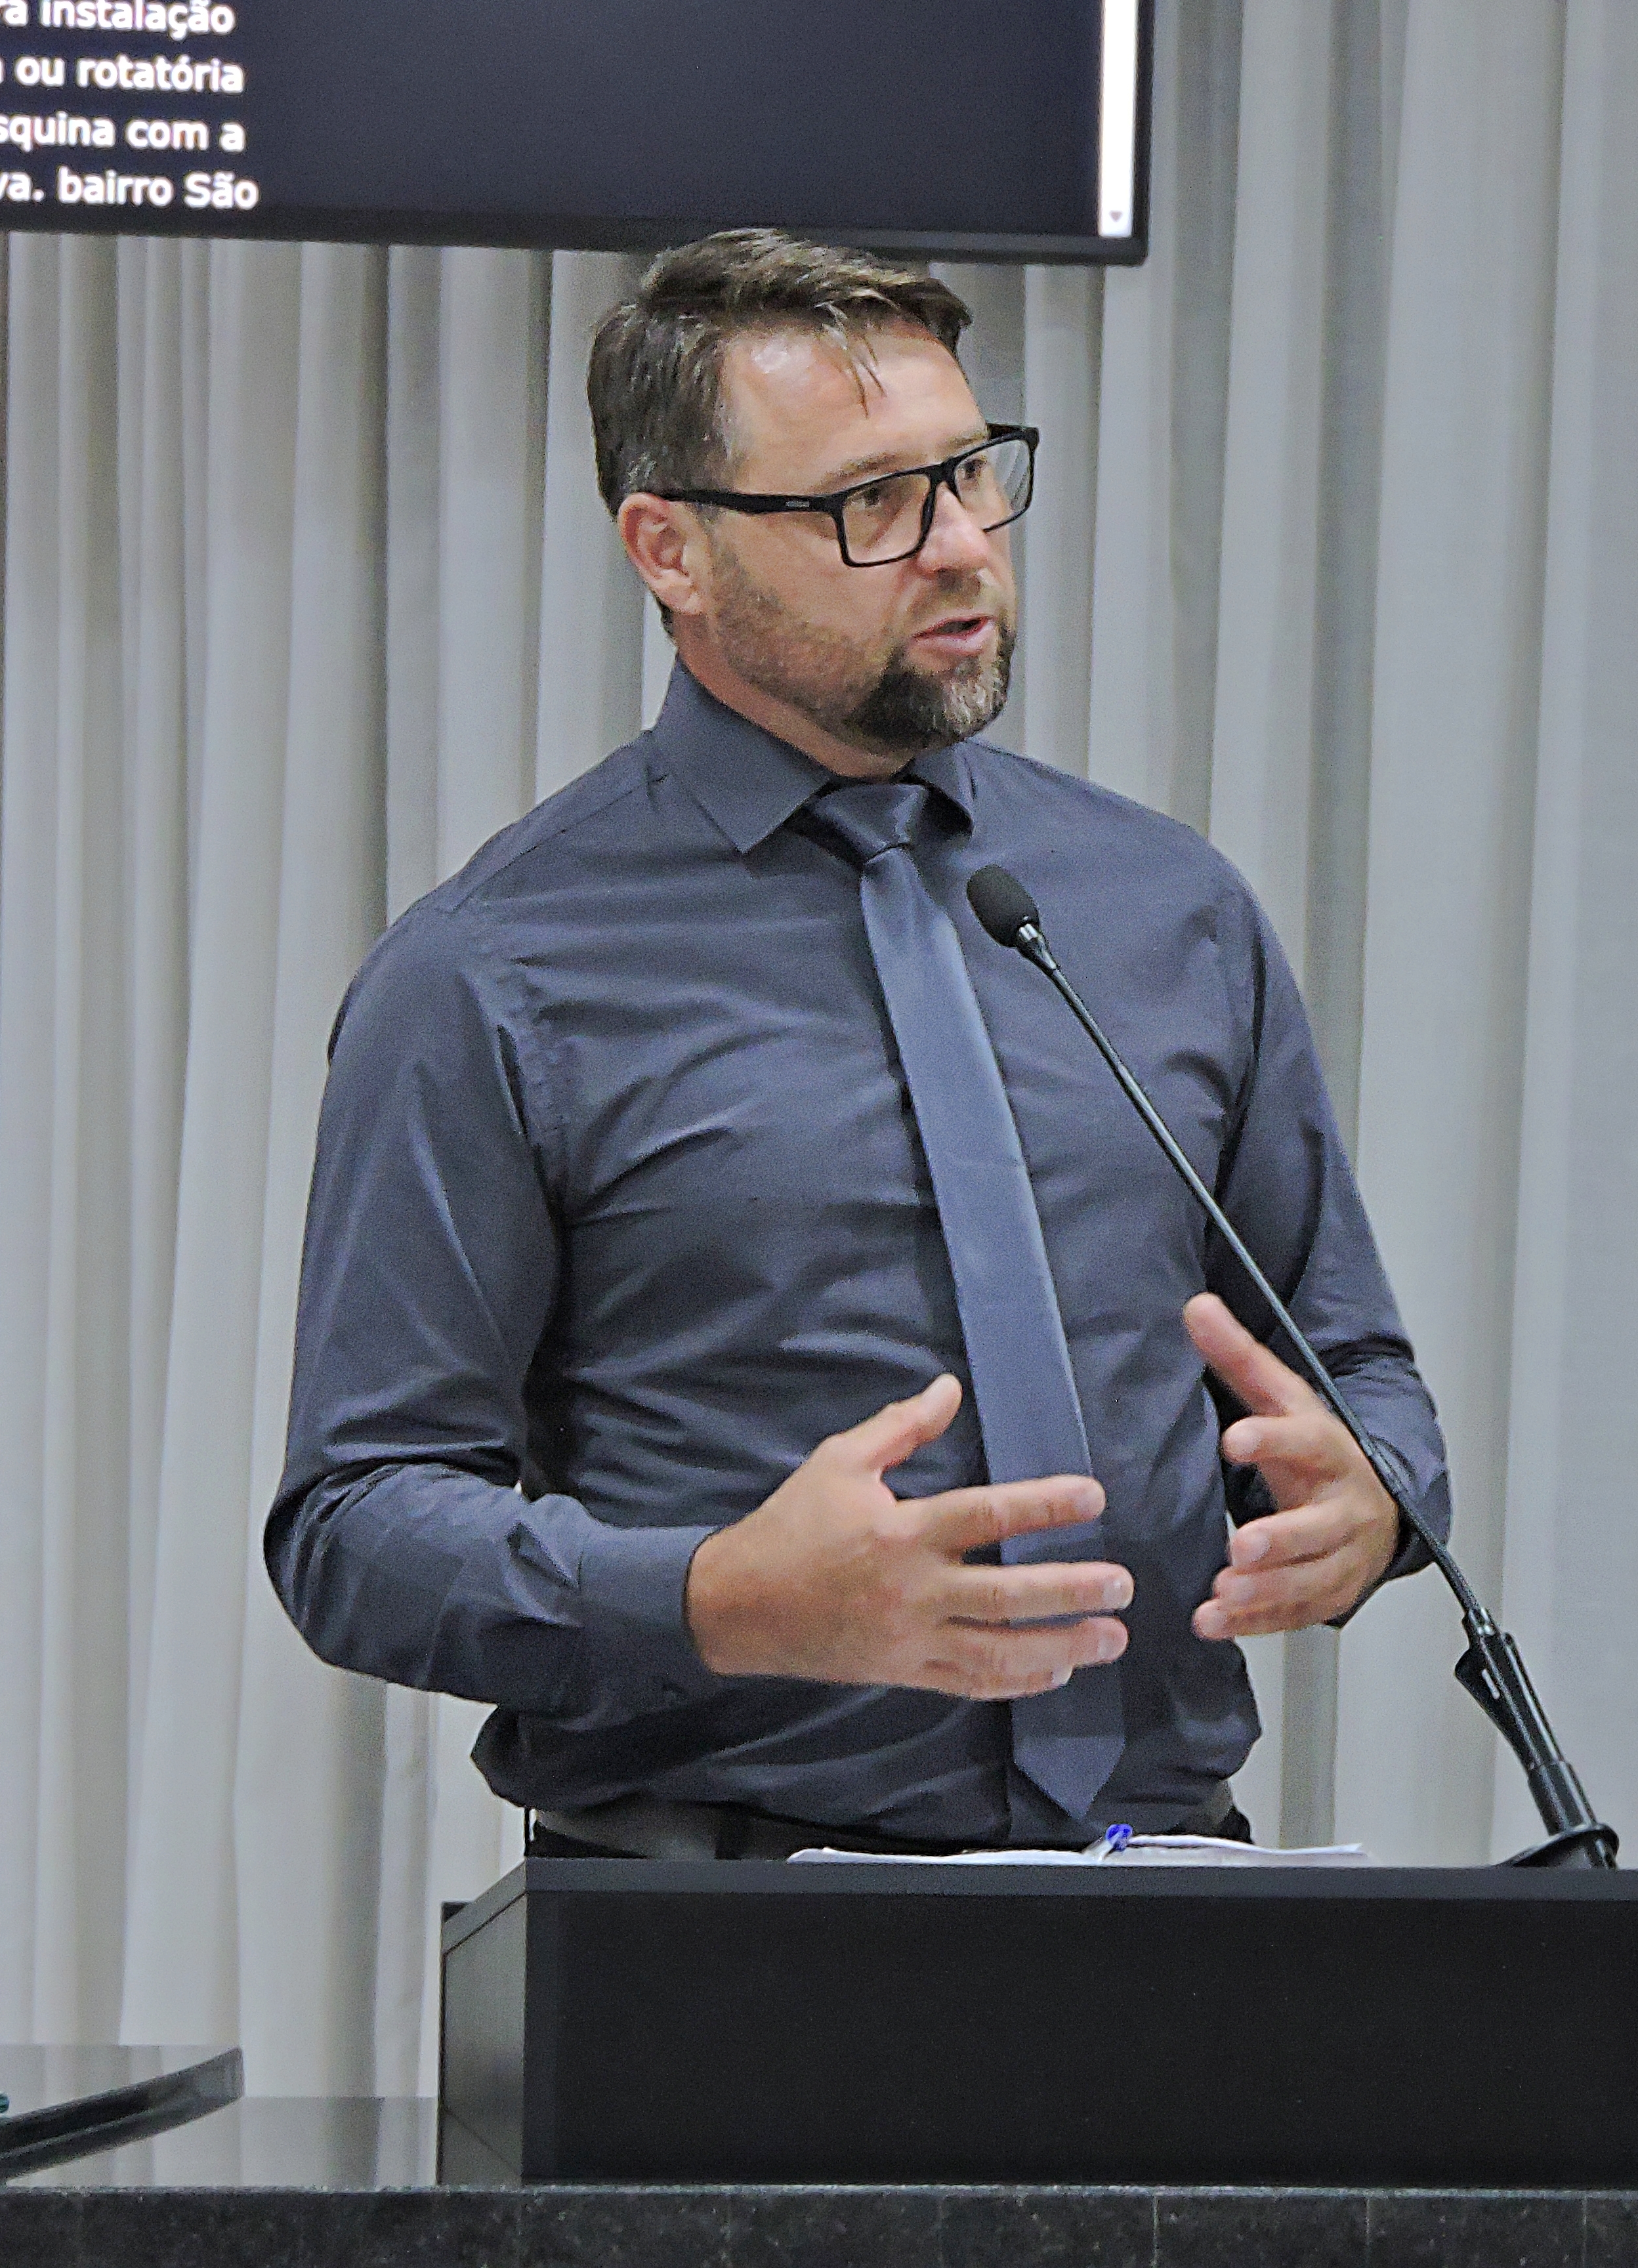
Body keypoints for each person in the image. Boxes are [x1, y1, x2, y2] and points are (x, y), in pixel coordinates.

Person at [264, 228, 1448, 1859]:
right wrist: (712, 1598)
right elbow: (354, 1524)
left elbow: (1354, 1362)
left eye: (972, 474)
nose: (960, 545)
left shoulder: (1162, 904)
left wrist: (1372, 1495)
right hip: (719, 1939)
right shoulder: (491, 971)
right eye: (869, 503)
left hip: (1173, 1901)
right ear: (668, 547)